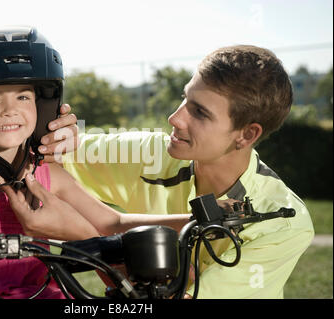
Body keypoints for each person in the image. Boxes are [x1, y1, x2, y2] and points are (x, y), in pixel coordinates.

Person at [0, 26, 188, 299]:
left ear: (43, 106)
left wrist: (192, 221)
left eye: (23, 96)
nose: (11, 110)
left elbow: (112, 222)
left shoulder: (48, 174)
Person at [53, 45, 314, 298]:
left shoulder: (283, 222)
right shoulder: (151, 153)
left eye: (200, 112)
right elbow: (48, 155)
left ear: (246, 134)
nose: (175, 119)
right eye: (185, 98)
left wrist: (85, 237)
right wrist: (50, 130)